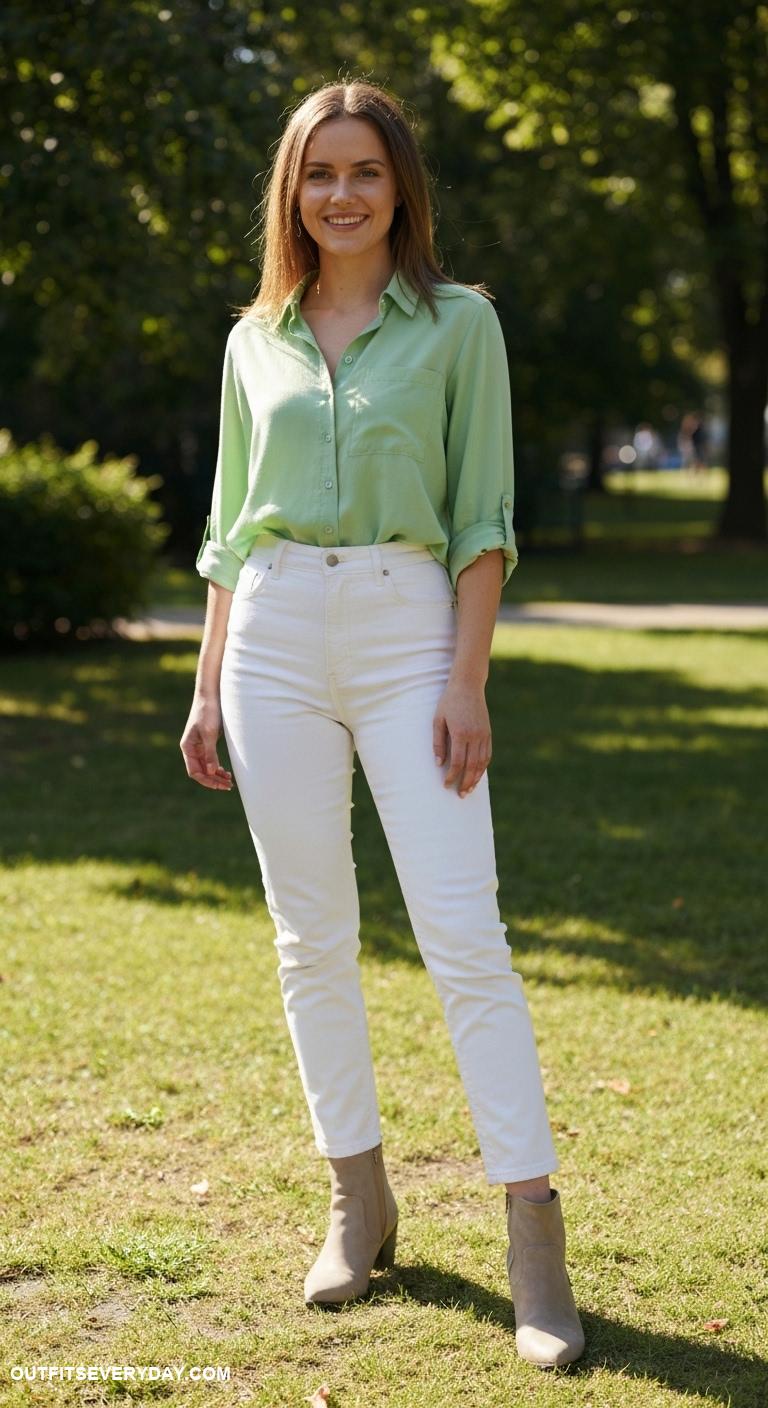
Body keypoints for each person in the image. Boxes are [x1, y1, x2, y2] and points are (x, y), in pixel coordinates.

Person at [180, 78, 584, 1369]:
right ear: (290, 193)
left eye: (363, 170)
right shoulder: (257, 337)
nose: (341, 193)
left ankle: (533, 1233)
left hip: (412, 630)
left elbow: (485, 519)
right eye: (317, 173)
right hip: (276, 631)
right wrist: (205, 684)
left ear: (400, 186)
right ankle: (358, 1201)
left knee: (466, 935)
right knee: (311, 938)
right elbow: (230, 531)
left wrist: (466, 683)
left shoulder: (460, 324)